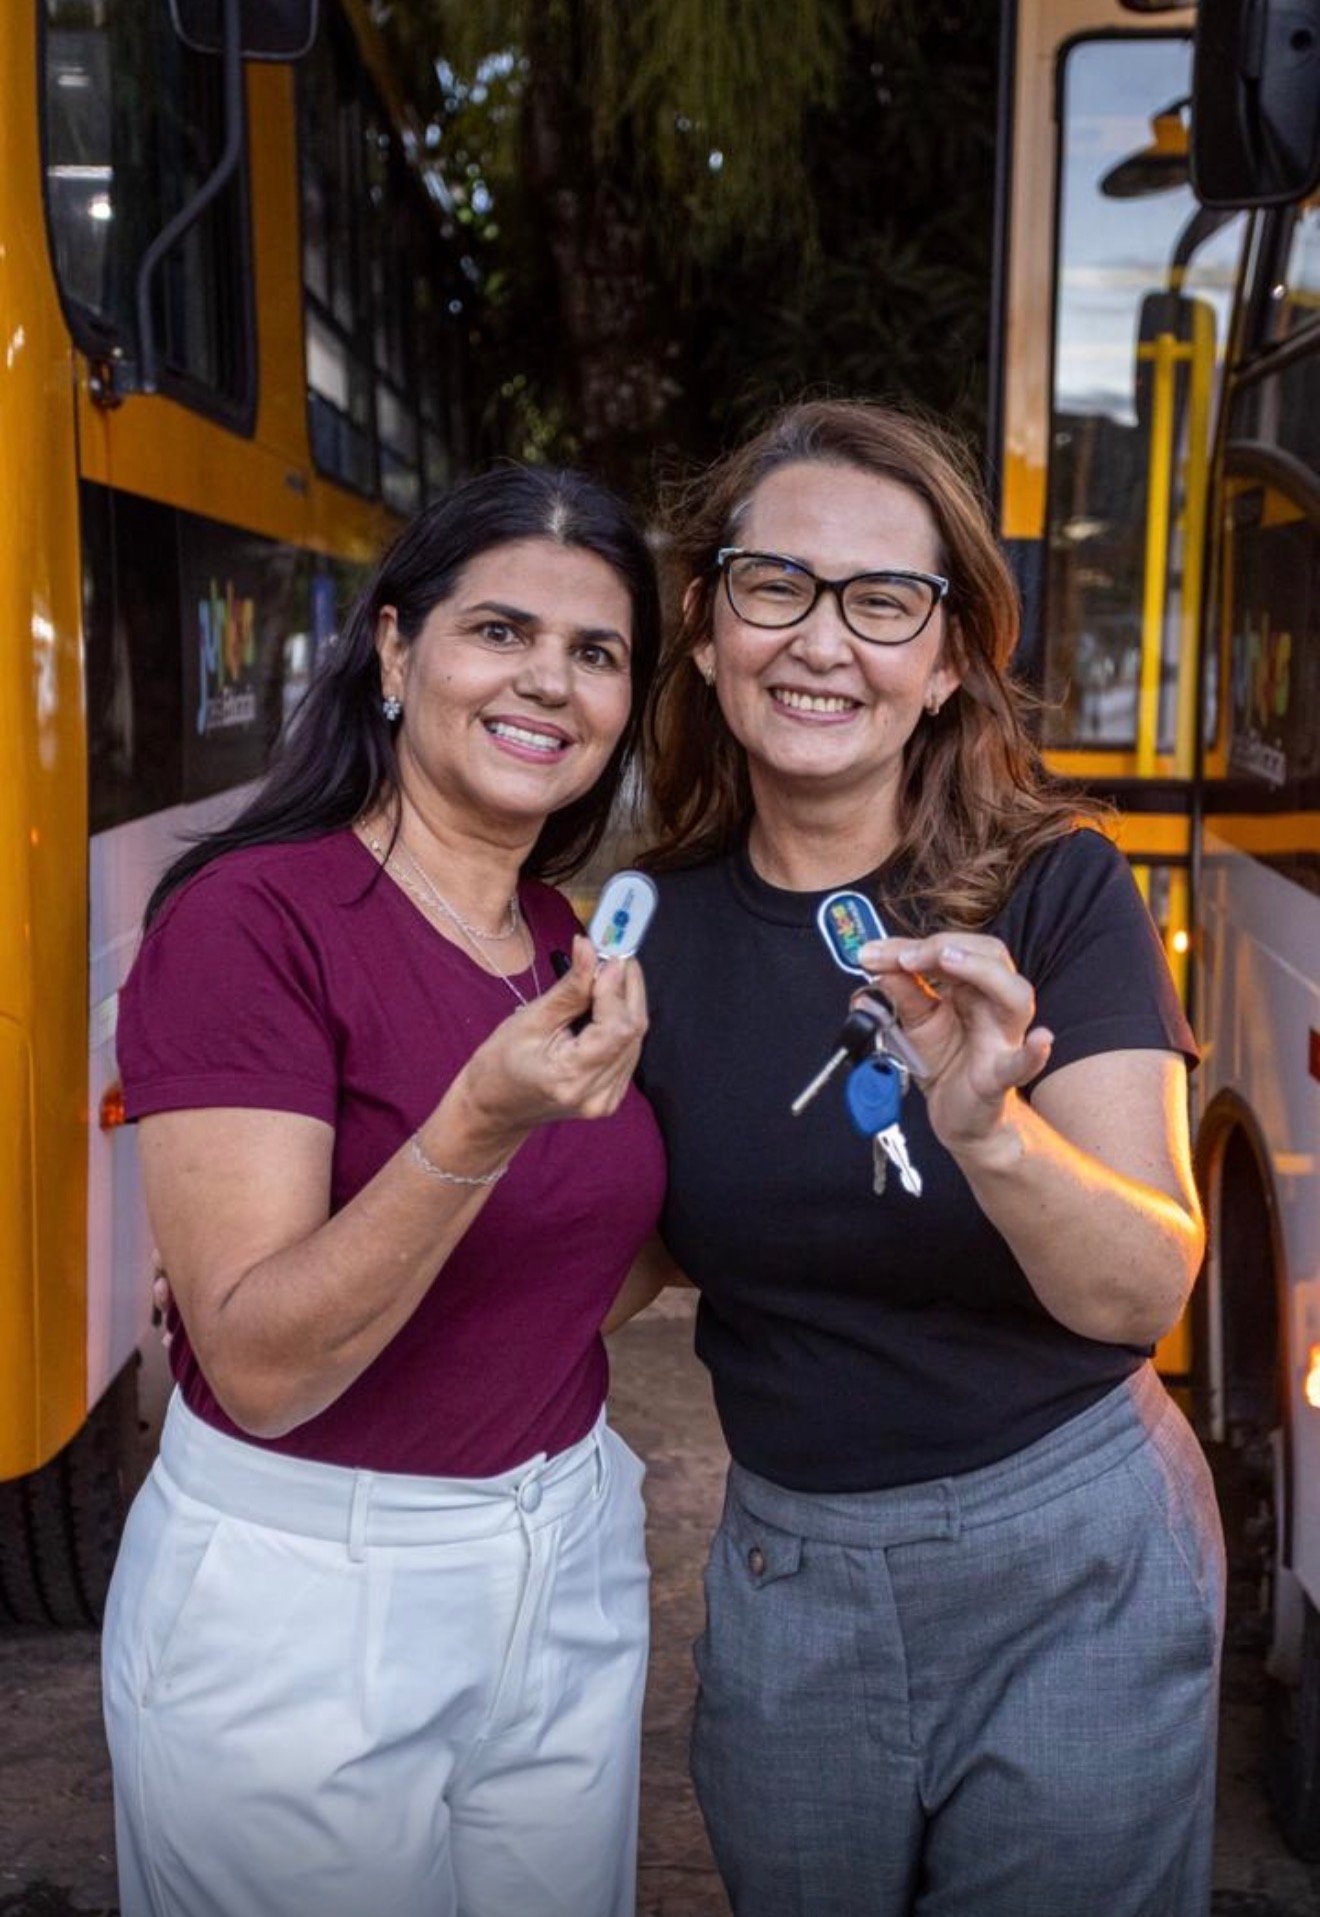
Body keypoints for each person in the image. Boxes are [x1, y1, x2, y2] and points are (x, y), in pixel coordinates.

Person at [636, 400, 1224, 1917]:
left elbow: (1140, 1279)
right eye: (776, 585)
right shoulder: (653, 931)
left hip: (1074, 1558)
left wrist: (988, 1126)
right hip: (791, 1576)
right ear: (706, 626)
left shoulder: (1057, 887)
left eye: (884, 600)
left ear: (948, 657)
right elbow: (603, 1246)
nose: (823, 640)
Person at [103, 465, 668, 1917]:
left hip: (569, 1563)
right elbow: (265, 1364)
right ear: (399, 650)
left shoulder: (569, 943)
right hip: (311, 1597)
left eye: (596, 652)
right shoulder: (251, 920)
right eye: (500, 630)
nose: (549, 679)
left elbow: (591, 1261)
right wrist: (472, 1128)